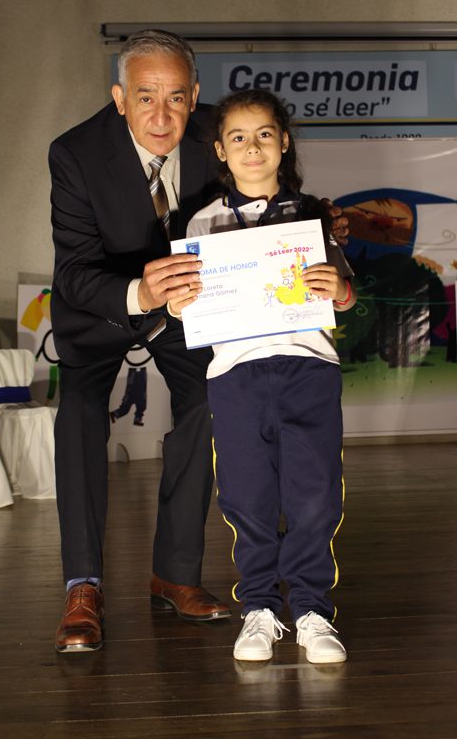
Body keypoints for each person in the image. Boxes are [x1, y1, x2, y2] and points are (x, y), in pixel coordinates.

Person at [49, 30, 349, 654]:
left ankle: (175, 575)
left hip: (194, 313)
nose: (162, 116)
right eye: (145, 98)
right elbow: (74, 271)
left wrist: (318, 224)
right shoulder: (74, 152)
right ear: (119, 97)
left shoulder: (224, 130)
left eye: (177, 98)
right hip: (108, 308)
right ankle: (83, 587)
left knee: (209, 406)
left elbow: (264, 190)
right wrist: (140, 291)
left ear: (195, 97)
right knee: (78, 414)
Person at [168, 88, 356, 664]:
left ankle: (311, 611)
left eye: (265, 135)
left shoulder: (314, 215)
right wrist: (179, 303)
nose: (253, 148)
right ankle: (259, 608)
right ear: (220, 150)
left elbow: (345, 295)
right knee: (246, 497)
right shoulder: (200, 222)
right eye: (239, 138)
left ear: (284, 142)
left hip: (309, 368)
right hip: (236, 376)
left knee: (314, 497)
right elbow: (183, 304)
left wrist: (339, 289)